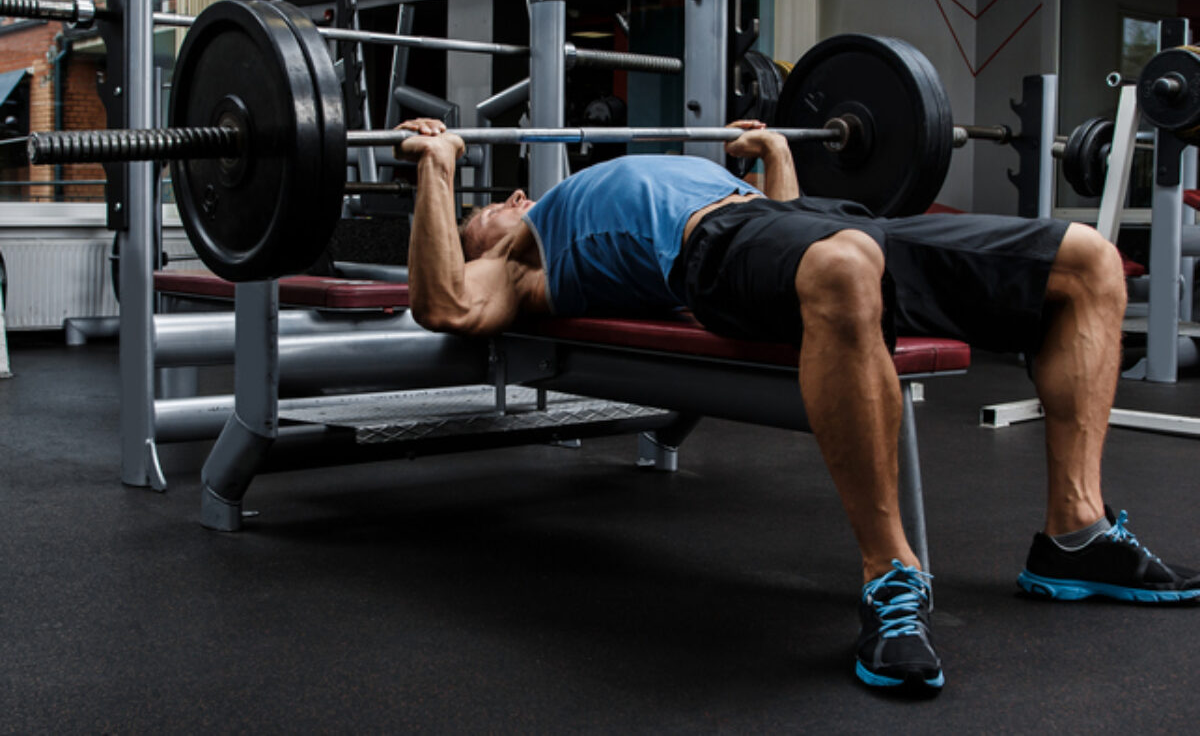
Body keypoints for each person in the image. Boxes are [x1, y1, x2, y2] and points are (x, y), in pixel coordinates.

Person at [396, 116, 1200, 695]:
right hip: (709, 251)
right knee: (844, 270)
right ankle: (892, 578)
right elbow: (444, 306)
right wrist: (436, 168)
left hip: (807, 222)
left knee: (1088, 261)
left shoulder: (550, 198)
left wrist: (776, 155)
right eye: (473, 221)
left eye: (486, 206)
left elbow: (784, 240)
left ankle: (1075, 531)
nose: (491, 211)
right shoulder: (519, 262)